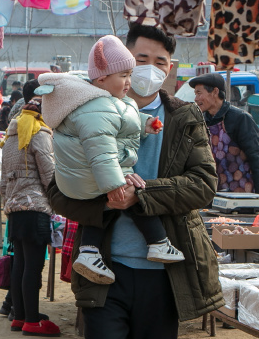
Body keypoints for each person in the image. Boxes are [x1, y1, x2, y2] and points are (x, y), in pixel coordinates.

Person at [46, 22, 222, 339]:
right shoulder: (84, 110)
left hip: (164, 279)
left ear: (170, 69)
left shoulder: (183, 118)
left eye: (160, 62)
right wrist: (105, 197)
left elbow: (203, 184)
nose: (148, 70)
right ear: (119, 63)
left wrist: (140, 196)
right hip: (105, 275)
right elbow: (57, 192)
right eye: (140, 58)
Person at [38, 35, 184, 287]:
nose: (129, 81)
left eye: (130, 75)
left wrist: (146, 124)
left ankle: (89, 251)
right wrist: (115, 184)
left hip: (83, 177)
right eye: (123, 75)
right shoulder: (97, 107)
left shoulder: (108, 101)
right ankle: (157, 242)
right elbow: (102, 152)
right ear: (102, 78)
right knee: (132, 193)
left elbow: (124, 119)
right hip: (91, 174)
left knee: (104, 206)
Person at [0, 81, 58, 336]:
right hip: (35, 208)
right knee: (33, 267)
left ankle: (20, 317)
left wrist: (9, 202)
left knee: (20, 264)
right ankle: (32, 321)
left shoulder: (10, 136)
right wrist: (59, 199)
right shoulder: (39, 133)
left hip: (15, 208)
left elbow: (4, 178)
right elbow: (49, 175)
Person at [188, 73, 259, 197]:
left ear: (215, 92)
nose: (196, 99)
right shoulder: (201, 120)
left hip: (241, 195)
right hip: (213, 195)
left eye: (199, 93)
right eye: (195, 94)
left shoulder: (240, 119)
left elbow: (258, 159)